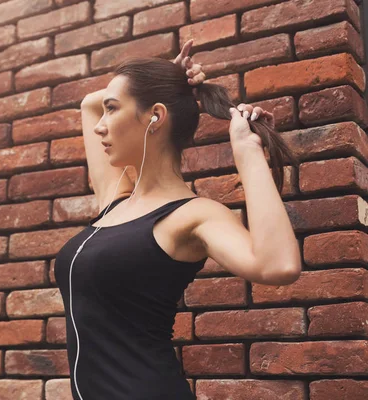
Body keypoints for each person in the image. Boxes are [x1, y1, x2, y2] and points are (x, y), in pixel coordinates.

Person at [53, 39, 302, 400]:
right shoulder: (117, 198)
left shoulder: (191, 215)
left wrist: (247, 152)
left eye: (113, 110)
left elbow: (279, 265)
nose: (99, 125)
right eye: (106, 111)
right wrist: (168, 76)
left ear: (154, 116)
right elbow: (88, 105)